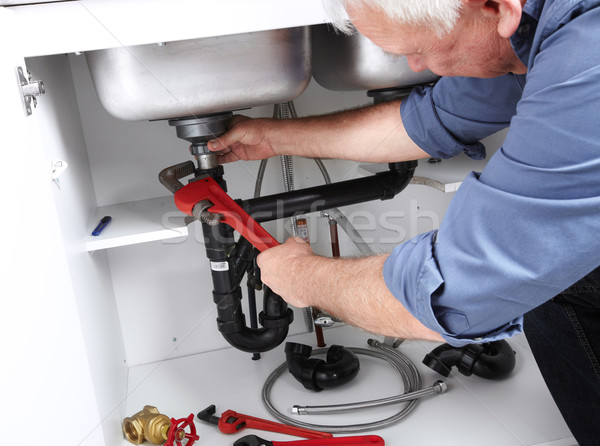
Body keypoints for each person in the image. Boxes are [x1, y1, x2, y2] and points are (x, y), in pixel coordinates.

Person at [208, 0, 600, 443]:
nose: (416, 66)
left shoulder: (587, 62)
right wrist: (271, 137)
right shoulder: (529, 31)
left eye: (423, 48)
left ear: (495, 6)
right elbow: (426, 120)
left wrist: (303, 278)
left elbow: (460, 291)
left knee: (548, 279)